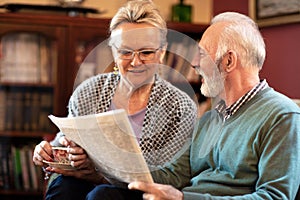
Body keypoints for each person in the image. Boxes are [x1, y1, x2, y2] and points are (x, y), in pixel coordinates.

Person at [32, 0, 197, 199]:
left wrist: (99, 174)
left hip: (138, 192)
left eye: (146, 52)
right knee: (63, 187)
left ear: (161, 52)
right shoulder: (88, 92)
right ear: (113, 51)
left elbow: (174, 177)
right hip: (84, 182)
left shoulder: (180, 107)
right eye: (125, 52)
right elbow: (66, 141)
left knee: (101, 195)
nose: (136, 62)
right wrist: (50, 152)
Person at [126, 12, 300, 199]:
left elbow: (274, 197)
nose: (193, 64)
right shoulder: (209, 117)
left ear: (228, 61)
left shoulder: (282, 116)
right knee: (104, 193)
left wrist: (184, 199)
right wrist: (105, 170)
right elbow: (174, 175)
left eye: (201, 54)